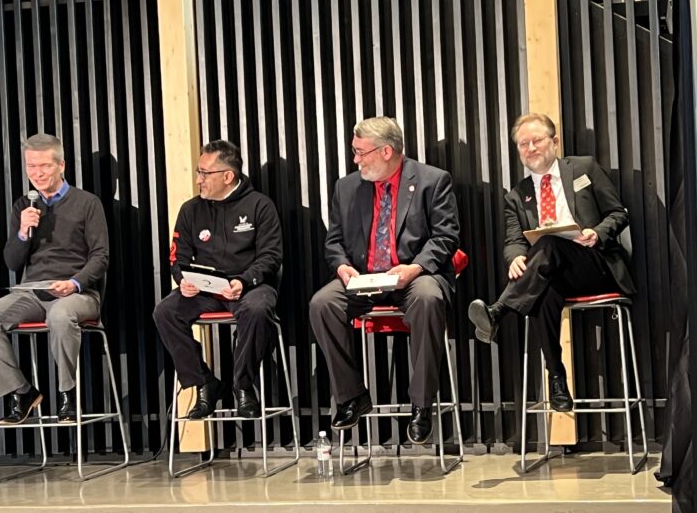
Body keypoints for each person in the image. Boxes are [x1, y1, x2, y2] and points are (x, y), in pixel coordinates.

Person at [468, 113, 635, 411]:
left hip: (595, 264)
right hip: (550, 271)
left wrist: (596, 233)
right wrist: (516, 258)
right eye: (523, 144)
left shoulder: (584, 168)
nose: (530, 148)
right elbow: (514, 241)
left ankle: (499, 311)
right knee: (544, 289)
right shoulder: (517, 195)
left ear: (554, 142)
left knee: (547, 244)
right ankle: (557, 379)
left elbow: (618, 213)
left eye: (537, 141)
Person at [309, 116, 460, 444]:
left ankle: (421, 404)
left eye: (361, 152)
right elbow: (333, 241)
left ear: (387, 151)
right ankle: (351, 396)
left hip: (412, 276)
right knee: (322, 304)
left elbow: (446, 236)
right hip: (364, 278)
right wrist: (341, 267)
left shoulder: (432, 181)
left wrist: (415, 267)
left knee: (429, 299)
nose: (356, 160)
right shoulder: (347, 187)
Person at [0, 133, 109, 424]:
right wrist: (22, 233)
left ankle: (67, 395)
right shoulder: (24, 205)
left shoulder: (87, 203)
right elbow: (12, 262)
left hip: (78, 294)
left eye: (44, 166)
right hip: (33, 293)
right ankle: (21, 391)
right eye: (31, 167)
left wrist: (74, 283)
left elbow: (101, 257)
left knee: (59, 315)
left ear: (61, 166)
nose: (37, 173)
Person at [153, 140, 283, 419]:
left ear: (227, 176)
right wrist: (182, 279)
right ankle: (204, 383)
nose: (198, 180)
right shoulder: (191, 210)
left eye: (204, 173)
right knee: (165, 311)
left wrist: (245, 281)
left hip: (249, 287)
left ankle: (243, 385)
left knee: (258, 309)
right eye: (199, 173)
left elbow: (271, 257)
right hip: (204, 290)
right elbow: (178, 257)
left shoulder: (260, 206)